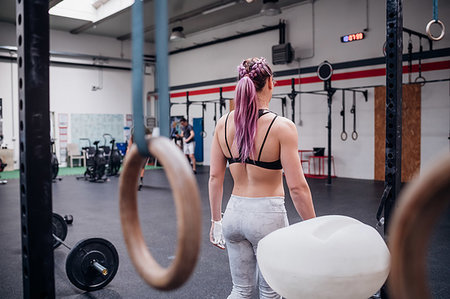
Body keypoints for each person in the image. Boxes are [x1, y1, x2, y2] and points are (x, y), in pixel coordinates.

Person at [208, 57, 316, 299]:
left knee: (240, 290)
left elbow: (215, 176)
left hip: (233, 214)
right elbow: (297, 187)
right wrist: (314, 226)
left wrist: (216, 221)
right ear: (270, 83)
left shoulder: (223, 124)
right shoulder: (282, 127)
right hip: (268, 217)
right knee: (271, 293)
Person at [126, 126, 151, 191]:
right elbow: (131, 141)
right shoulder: (134, 129)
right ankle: (139, 181)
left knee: (141, 167)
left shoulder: (145, 129)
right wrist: (128, 150)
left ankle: (139, 181)